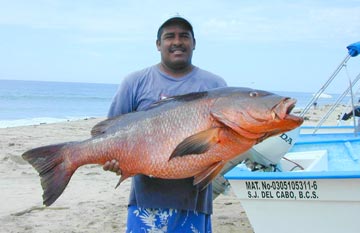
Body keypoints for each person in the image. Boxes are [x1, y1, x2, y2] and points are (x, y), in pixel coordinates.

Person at [103, 16, 227, 232]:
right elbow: (109, 133)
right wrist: (113, 160)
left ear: (194, 43)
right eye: (169, 36)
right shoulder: (134, 82)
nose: (177, 42)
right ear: (158, 44)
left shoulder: (215, 85)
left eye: (184, 36)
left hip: (195, 205)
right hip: (145, 203)